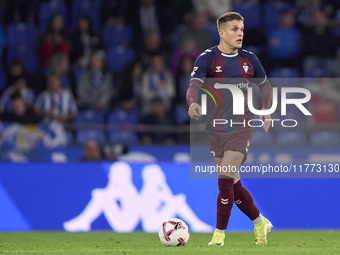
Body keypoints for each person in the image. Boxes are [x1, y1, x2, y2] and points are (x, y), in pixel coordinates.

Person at [186, 12, 273, 246]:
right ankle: (260, 222)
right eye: (234, 29)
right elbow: (193, 86)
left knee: (224, 178)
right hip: (215, 129)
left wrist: (265, 109)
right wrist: (193, 103)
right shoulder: (207, 59)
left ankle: (219, 235)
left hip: (241, 127)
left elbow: (265, 86)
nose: (240, 33)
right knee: (233, 183)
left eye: (242, 29)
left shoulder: (250, 59)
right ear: (221, 33)